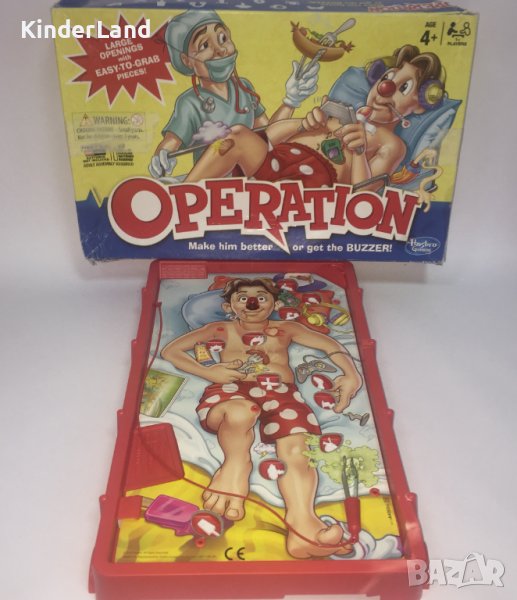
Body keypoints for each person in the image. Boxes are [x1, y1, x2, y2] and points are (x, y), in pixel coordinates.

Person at [161, 277, 362, 559]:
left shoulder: (287, 329)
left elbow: (331, 346)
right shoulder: (220, 329)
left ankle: (303, 526)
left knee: (298, 447)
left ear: (275, 304)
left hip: (281, 394)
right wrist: (208, 372)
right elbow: (170, 350)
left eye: (261, 297)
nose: (252, 302)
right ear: (229, 306)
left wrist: (351, 374)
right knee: (241, 411)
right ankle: (235, 465)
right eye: (243, 297)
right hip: (231, 390)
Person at [182, 45, 445, 190]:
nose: (386, 88)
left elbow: (362, 196)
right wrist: (302, 124)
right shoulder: (339, 112)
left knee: (288, 188)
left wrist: (358, 151)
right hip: (276, 160)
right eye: (387, 78)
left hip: (312, 184)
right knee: (237, 135)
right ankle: (179, 199)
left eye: (403, 87)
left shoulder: (391, 144)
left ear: (420, 105)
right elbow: (268, 137)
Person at [149, 10, 319, 178]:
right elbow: (171, 142)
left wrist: (290, 101)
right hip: (212, 182)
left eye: (223, 38)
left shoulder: (244, 88)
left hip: (250, 176)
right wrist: (162, 156)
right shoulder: (189, 103)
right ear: (186, 60)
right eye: (204, 45)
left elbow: (268, 136)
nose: (220, 50)